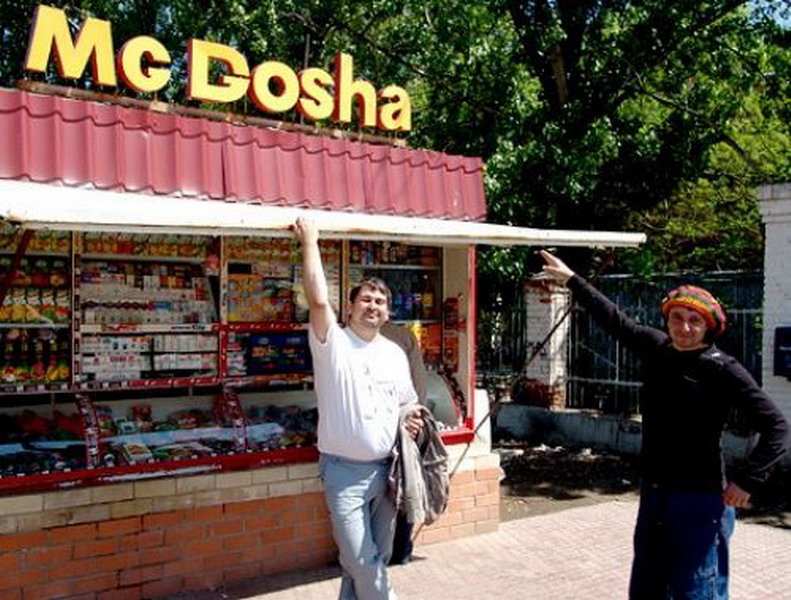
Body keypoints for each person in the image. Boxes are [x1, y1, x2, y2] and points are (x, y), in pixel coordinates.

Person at [540, 250, 789, 600]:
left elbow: (777, 427)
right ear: (667, 319)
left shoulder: (723, 368)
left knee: (696, 588)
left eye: (694, 321)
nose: (684, 327)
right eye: (677, 317)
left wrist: (747, 480)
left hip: (700, 498)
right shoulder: (658, 349)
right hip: (655, 493)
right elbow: (614, 320)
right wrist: (572, 280)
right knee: (648, 583)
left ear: (709, 326)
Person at [292, 218, 423, 600]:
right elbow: (318, 301)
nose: (372, 306)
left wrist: (411, 420)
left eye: (380, 302)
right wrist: (310, 242)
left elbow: (406, 402)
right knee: (362, 560)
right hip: (343, 474)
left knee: (370, 561)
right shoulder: (333, 343)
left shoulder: (395, 353)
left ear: (387, 313)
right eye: (365, 299)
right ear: (349, 308)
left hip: (387, 472)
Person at [380, 321, 428, 565]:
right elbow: (419, 384)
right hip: (404, 424)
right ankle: (401, 549)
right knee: (404, 481)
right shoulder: (404, 336)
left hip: (379, 431)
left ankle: (382, 550)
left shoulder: (348, 336)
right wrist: (417, 416)